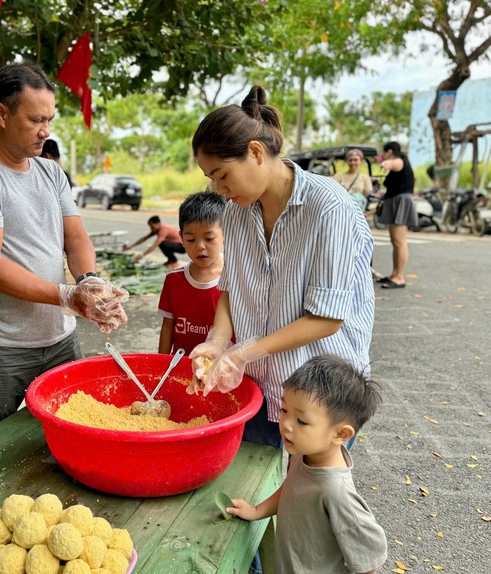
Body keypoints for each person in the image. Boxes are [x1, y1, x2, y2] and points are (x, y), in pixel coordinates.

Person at [0, 62, 128, 438]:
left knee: (70, 435)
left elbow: (75, 239)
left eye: (50, 119)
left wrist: (89, 282)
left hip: (60, 339)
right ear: (2, 114)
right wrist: (66, 295)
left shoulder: (50, 173)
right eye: (36, 120)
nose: (46, 131)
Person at [188, 85, 375, 453]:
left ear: (255, 152)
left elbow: (326, 318)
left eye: (223, 174)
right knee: (254, 494)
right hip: (258, 385)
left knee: (309, 498)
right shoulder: (236, 212)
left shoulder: (328, 206)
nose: (219, 188)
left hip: (317, 395)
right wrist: (217, 342)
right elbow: (231, 290)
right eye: (212, 178)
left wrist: (242, 353)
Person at [225, 355, 387, 574]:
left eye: (301, 421)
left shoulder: (336, 492)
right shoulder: (304, 454)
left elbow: (370, 560)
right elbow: (291, 490)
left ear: (340, 434)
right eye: (284, 410)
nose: (286, 425)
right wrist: (256, 511)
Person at [158, 191, 228, 354]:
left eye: (209, 239)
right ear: (181, 237)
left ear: (225, 234)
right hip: (180, 365)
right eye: (191, 239)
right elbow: (168, 327)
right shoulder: (173, 280)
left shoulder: (235, 277)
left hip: (221, 368)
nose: (200, 246)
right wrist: (161, 365)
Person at [377, 141, 416, 289]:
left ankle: (399, 277)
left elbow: (395, 164)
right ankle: (394, 274)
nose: (382, 154)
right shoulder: (398, 161)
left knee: (400, 241)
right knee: (395, 241)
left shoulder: (399, 160)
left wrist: (387, 164)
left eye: (383, 152)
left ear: (390, 151)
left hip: (401, 201)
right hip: (394, 200)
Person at [332, 148, 372, 212]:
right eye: (350, 160)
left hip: (358, 210)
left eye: (355, 160)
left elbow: (367, 192)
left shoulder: (365, 178)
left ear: (361, 161)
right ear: (347, 161)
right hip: (342, 209)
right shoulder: (339, 176)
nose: (353, 162)